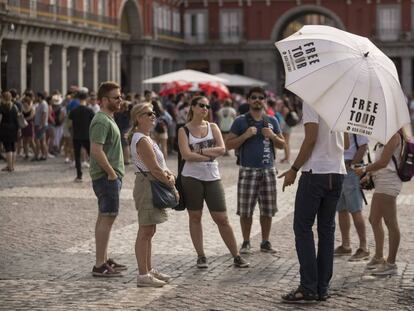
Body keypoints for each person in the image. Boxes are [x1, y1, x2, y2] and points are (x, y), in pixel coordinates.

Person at [279, 102, 348, 302]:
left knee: (302, 228)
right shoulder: (340, 104)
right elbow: (347, 143)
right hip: (337, 172)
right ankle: (322, 288)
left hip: (316, 172)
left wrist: (293, 168)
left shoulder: (313, 101)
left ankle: (308, 286)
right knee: (327, 231)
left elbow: (310, 139)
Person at [178, 96, 249, 269]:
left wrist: (200, 151)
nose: (205, 109)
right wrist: (209, 153)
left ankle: (236, 255)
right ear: (192, 107)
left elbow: (222, 149)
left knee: (222, 218)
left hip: (212, 176)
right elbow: (186, 155)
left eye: (207, 106)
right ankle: (201, 255)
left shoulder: (213, 126)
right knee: (195, 216)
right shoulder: (184, 130)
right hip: (191, 177)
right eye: (201, 105)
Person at [225, 87, 285, 255]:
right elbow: (228, 144)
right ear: (248, 100)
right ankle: (246, 241)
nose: (257, 100)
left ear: (265, 101)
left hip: (268, 170)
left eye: (261, 97)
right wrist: (245, 136)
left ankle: (265, 242)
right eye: (254, 97)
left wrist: (272, 136)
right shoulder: (240, 121)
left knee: (268, 209)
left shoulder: (272, 120)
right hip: (248, 170)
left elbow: (282, 144)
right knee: (246, 210)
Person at [129, 103, 174, 287]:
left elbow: (159, 166)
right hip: (147, 183)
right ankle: (142, 274)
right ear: (138, 118)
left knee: (150, 230)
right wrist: (170, 182)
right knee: (145, 230)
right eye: (148, 113)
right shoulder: (141, 139)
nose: (153, 116)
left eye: (154, 113)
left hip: (152, 182)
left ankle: (148, 269)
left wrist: (169, 173)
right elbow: (154, 168)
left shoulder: (147, 137)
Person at [353, 128, 407, 276]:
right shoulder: (385, 135)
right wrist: (369, 174)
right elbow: (381, 161)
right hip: (381, 181)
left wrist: (365, 168)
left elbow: (384, 162)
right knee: (374, 219)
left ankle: (391, 264)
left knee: (391, 223)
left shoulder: (394, 135)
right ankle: (378, 257)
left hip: (389, 182)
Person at [89, 81, 126, 277]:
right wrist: (111, 173)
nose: (121, 100)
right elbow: (96, 149)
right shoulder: (101, 120)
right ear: (104, 100)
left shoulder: (108, 118)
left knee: (104, 217)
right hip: (106, 177)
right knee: (108, 217)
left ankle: (103, 258)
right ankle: (99, 264)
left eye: (121, 96)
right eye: (117, 97)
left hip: (109, 176)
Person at [334, 134, 370, 261]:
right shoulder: (339, 120)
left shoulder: (355, 119)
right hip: (338, 168)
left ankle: (364, 247)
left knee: (355, 209)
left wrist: (352, 165)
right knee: (341, 209)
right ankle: (346, 245)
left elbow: (363, 146)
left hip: (350, 169)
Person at [69, 90, 95, 182]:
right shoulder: (89, 110)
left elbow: (70, 125)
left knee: (77, 156)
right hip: (87, 135)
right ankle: (95, 174)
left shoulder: (74, 111)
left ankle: (79, 175)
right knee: (91, 155)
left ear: (78, 99)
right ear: (86, 98)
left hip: (76, 136)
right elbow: (94, 124)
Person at [0, 91, 19, 172]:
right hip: (14, 128)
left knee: (8, 147)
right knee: (13, 147)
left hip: (5, 128)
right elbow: (17, 118)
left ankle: (9, 167)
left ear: (3, 98)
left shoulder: (2, 107)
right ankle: (12, 166)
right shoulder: (15, 106)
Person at [114, 100, 131, 165]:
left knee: (124, 145)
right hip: (127, 129)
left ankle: (126, 160)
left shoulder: (120, 114)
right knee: (125, 145)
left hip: (122, 130)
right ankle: (127, 159)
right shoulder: (128, 113)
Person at [33, 92, 49, 161]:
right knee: (42, 141)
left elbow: (44, 114)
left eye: (36, 96)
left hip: (41, 125)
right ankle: (43, 155)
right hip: (38, 124)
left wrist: (41, 124)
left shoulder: (43, 104)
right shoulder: (40, 104)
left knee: (37, 140)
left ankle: (37, 155)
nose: (36, 98)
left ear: (40, 97)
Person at [21, 94, 36, 160]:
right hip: (24, 125)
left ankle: (36, 153)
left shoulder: (32, 108)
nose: (24, 103)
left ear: (28, 102)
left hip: (30, 125)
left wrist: (24, 119)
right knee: (24, 140)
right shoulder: (22, 108)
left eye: (25, 102)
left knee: (31, 140)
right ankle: (26, 154)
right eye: (23, 102)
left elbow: (31, 116)